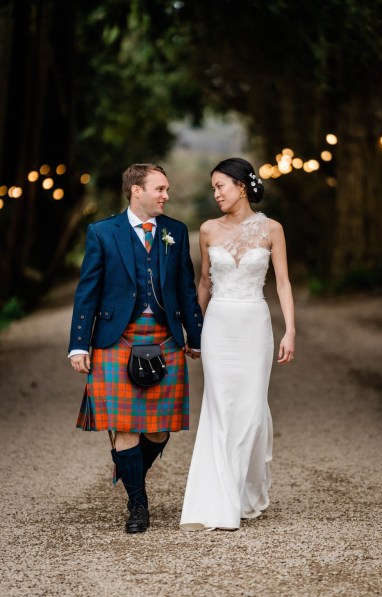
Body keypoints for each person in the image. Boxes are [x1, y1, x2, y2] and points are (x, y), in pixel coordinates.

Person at [68, 163, 202, 534]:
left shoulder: (174, 231)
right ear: (136, 191)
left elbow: (186, 289)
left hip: (165, 335)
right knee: (125, 425)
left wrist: (196, 335)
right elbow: (87, 292)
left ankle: (127, 467)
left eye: (167, 189)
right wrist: (79, 344)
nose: (166, 196)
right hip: (116, 337)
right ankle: (137, 505)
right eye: (160, 189)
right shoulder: (102, 232)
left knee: (159, 429)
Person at [180, 157, 295, 531]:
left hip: (254, 326)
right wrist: (193, 331)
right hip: (218, 328)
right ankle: (217, 500)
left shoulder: (272, 229)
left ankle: (243, 490)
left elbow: (282, 284)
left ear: (241, 186)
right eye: (213, 188)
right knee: (219, 409)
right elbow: (204, 284)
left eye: (220, 186)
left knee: (249, 409)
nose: (216, 194)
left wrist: (290, 330)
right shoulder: (208, 230)